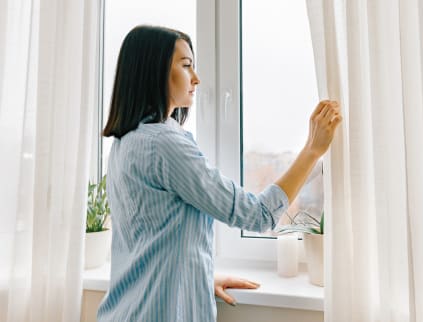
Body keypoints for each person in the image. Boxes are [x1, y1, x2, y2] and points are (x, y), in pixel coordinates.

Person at [97, 25, 342, 322]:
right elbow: (258, 214)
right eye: (186, 66)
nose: (196, 79)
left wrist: (197, 279)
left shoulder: (125, 143)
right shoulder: (164, 144)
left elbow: (149, 239)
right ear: (153, 71)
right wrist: (312, 150)